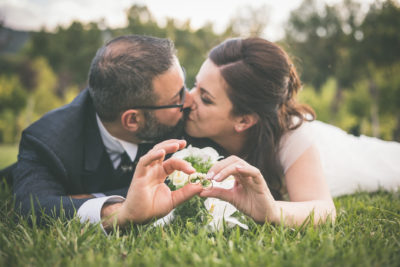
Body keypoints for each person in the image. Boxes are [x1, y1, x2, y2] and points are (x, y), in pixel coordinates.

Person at [185, 37, 400, 226]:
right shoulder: (187, 116)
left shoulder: (292, 136)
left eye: (205, 98)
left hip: (337, 154)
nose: (188, 99)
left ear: (244, 120)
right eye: (194, 85)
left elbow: (324, 212)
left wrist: (271, 210)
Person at [11, 34, 202, 230]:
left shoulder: (181, 116)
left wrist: (92, 197)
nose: (189, 100)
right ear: (133, 120)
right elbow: (31, 207)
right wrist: (118, 211)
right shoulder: (47, 141)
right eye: (176, 98)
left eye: (183, 84)